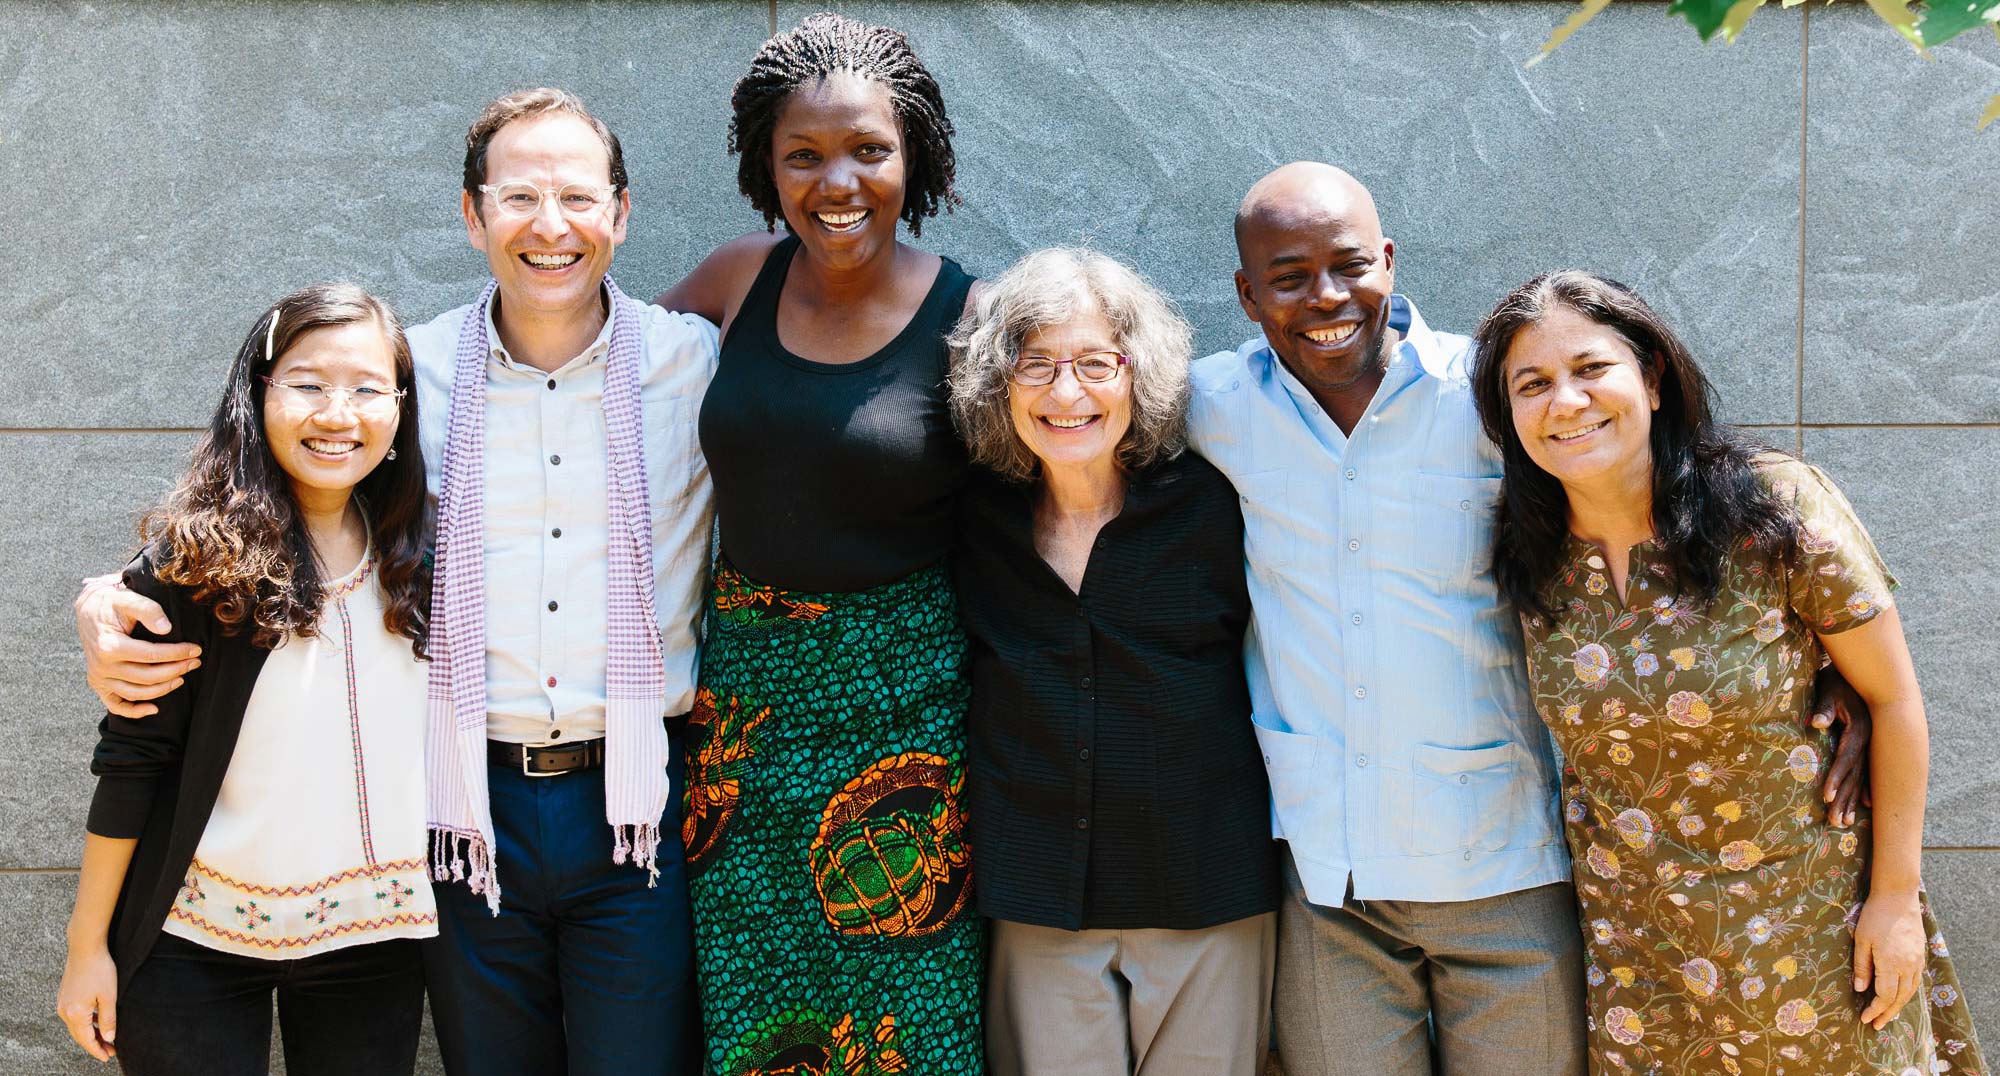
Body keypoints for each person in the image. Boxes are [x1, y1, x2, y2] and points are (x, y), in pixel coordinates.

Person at [74, 89, 717, 1075]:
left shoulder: (695, 364)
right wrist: (110, 596)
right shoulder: (403, 376)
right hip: (462, 812)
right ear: (472, 214)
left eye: (579, 198)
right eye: (519, 198)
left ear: (621, 214)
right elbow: (263, 503)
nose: (552, 226)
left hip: (637, 807)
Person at [1184, 162, 1872, 1076]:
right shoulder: (1209, 406)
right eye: (1288, 276)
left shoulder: (1498, 395)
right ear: (1244, 294)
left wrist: (1824, 674)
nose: (1328, 296)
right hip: (1326, 877)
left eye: (1350, 264)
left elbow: (1656, 515)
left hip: (1507, 865)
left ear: (1389, 260)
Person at [1468, 270, 1986, 1075]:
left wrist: (1894, 902)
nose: (1565, 402)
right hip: (1640, 959)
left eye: (1591, 368)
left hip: (1813, 938)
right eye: (1531, 385)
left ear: (1652, 375)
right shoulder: (1528, 556)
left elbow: (1893, 697)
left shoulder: (1771, 507)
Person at [653, 13, 983, 1073]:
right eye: (803, 155)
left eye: (867, 151)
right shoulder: (732, 281)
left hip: (912, 717)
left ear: (913, 156)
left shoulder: (968, 316)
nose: (836, 181)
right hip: (744, 722)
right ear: (766, 167)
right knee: (754, 1013)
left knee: (910, 1021)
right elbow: (576, 406)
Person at [56, 284, 435, 1075]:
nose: (338, 414)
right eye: (307, 384)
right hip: (194, 941)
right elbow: (133, 763)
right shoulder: (196, 565)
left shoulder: (427, 554)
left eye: (367, 388)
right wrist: (88, 947)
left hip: (372, 945)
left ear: (400, 409)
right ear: (257, 395)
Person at [947, 248, 1282, 1075]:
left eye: (1097, 363)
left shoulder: (1213, 506)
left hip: (1206, 885)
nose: (1068, 394)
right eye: (1037, 366)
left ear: (1140, 373)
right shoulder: (969, 523)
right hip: (1038, 893)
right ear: (999, 382)